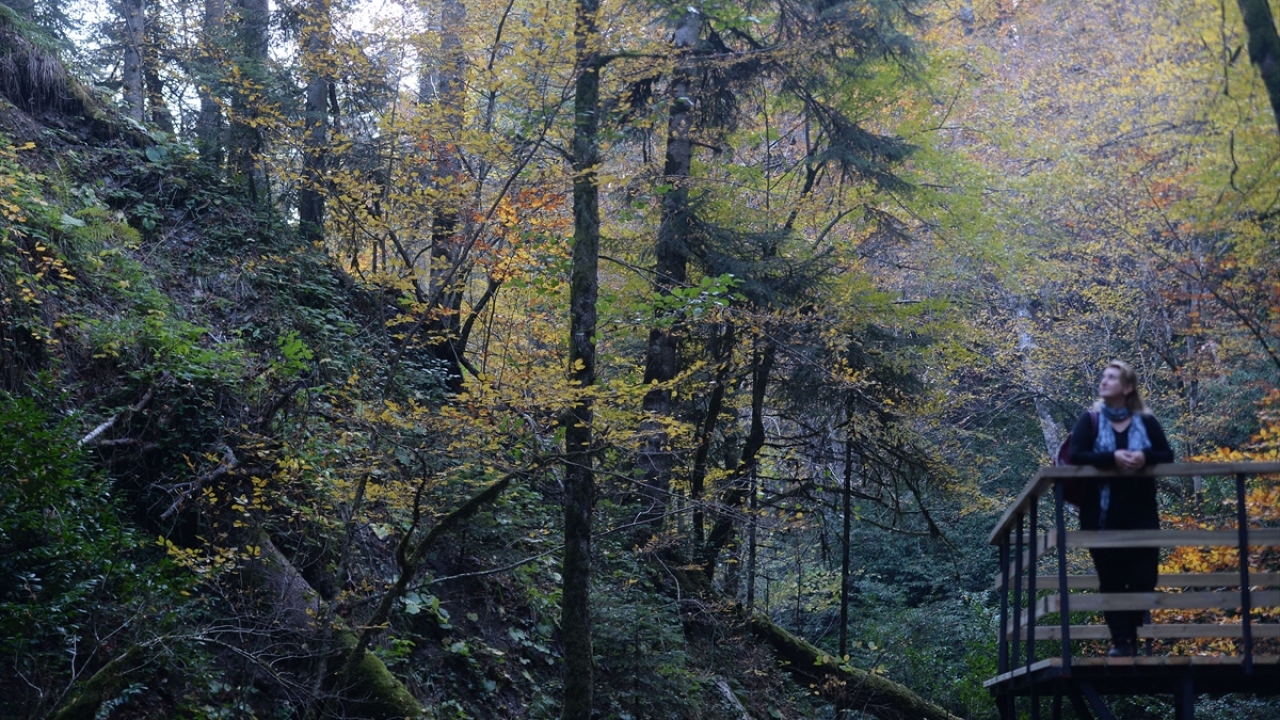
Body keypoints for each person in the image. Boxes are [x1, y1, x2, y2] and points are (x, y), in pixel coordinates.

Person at [1068, 359, 1174, 657]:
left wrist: (1143, 456)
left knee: (1144, 578)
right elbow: (1077, 455)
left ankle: (1130, 633)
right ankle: (1123, 643)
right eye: (1103, 377)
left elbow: (1167, 454)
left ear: (1127, 387)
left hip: (1141, 511)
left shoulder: (1146, 421)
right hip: (1101, 515)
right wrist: (1112, 458)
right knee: (1111, 579)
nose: (1104, 381)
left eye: (1111, 378)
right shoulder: (1089, 419)